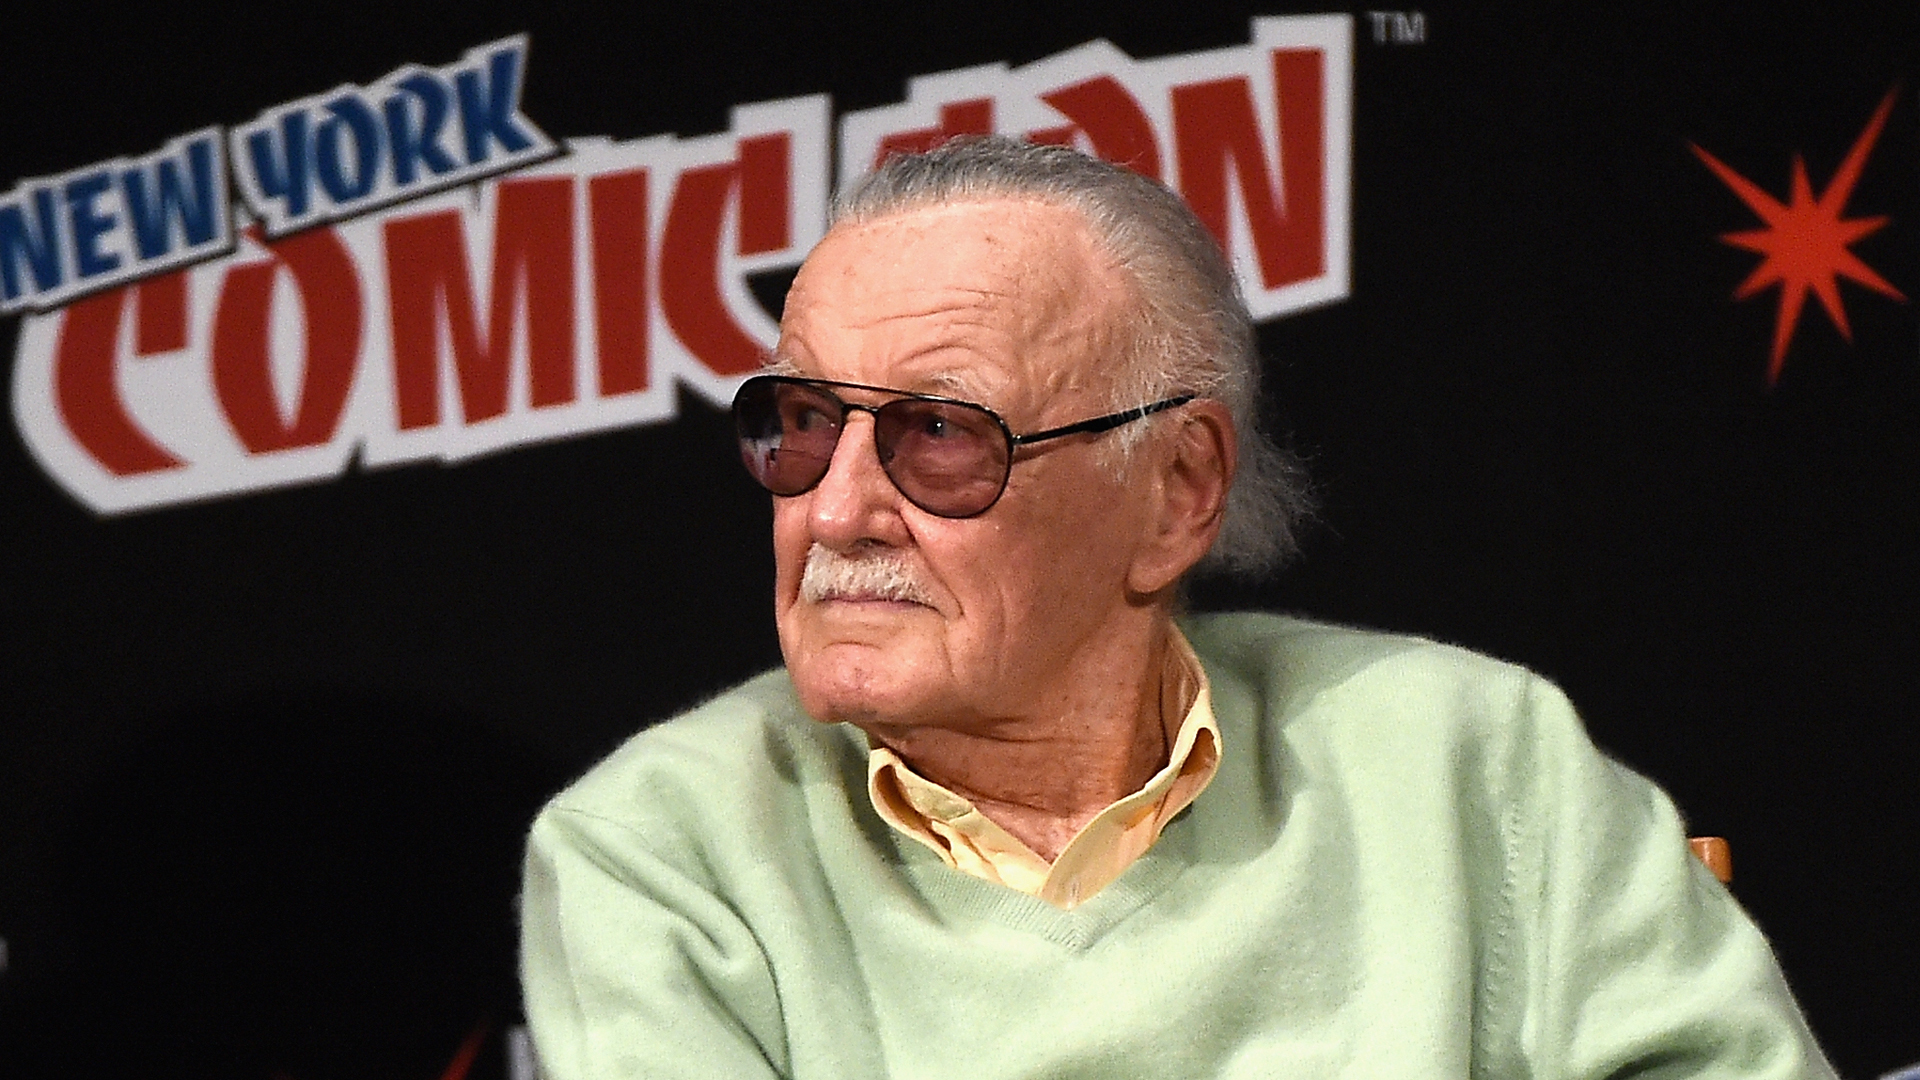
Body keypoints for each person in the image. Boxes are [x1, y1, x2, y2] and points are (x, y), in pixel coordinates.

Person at [519, 136, 1835, 1079]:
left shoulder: (1472, 755)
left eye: (939, 434)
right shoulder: (660, 848)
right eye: (800, 425)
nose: (836, 510)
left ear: (1174, 491)